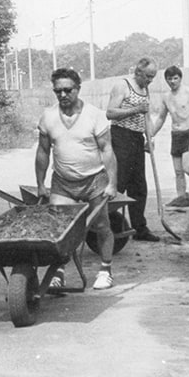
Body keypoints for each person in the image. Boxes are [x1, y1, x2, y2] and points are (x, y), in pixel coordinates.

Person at [35, 68, 118, 289]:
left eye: (67, 90)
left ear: (78, 89)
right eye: (58, 91)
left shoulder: (95, 115)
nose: (63, 95)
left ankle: (105, 269)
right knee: (61, 230)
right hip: (63, 183)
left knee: (101, 226)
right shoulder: (48, 116)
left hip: (94, 180)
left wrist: (112, 183)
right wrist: (40, 184)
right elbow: (43, 152)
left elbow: (107, 150)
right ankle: (59, 272)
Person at [106, 57, 160, 242]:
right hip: (121, 136)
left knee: (139, 187)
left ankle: (140, 229)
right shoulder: (122, 86)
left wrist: (150, 137)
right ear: (138, 72)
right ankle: (109, 228)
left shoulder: (145, 88)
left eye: (152, 77)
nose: (150, 80)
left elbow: (146, 117)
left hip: (137, 139)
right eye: (147, 76)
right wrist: (135, 109)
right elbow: (110, 112)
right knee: (118, 184)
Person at [149, 66, 189, 203]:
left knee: (187, 167)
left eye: (175, 78)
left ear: (180, 78)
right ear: (166, 80)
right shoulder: (166, 97)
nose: (173, 81)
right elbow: (161, 117)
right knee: (178, 171)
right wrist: (152, 134)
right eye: (170, 79)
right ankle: (181, 198)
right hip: (176, 135)